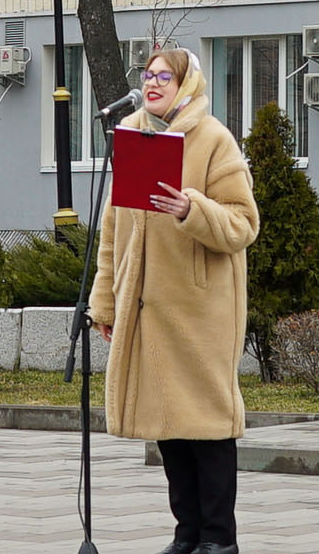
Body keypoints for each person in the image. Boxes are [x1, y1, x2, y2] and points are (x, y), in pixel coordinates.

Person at [90, 48, 260, 554]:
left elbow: (243, 223)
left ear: (186, 83)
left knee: (206, 426)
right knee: (169, 424)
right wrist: (106, 302)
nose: (154, 83)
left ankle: (219, 540)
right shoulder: (136, 137)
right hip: (148, 308)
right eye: (148, 75)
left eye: (165, 76)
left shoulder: (214, 140)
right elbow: (113, 229)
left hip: (200, 310)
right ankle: (186, 534)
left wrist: (193, 208)